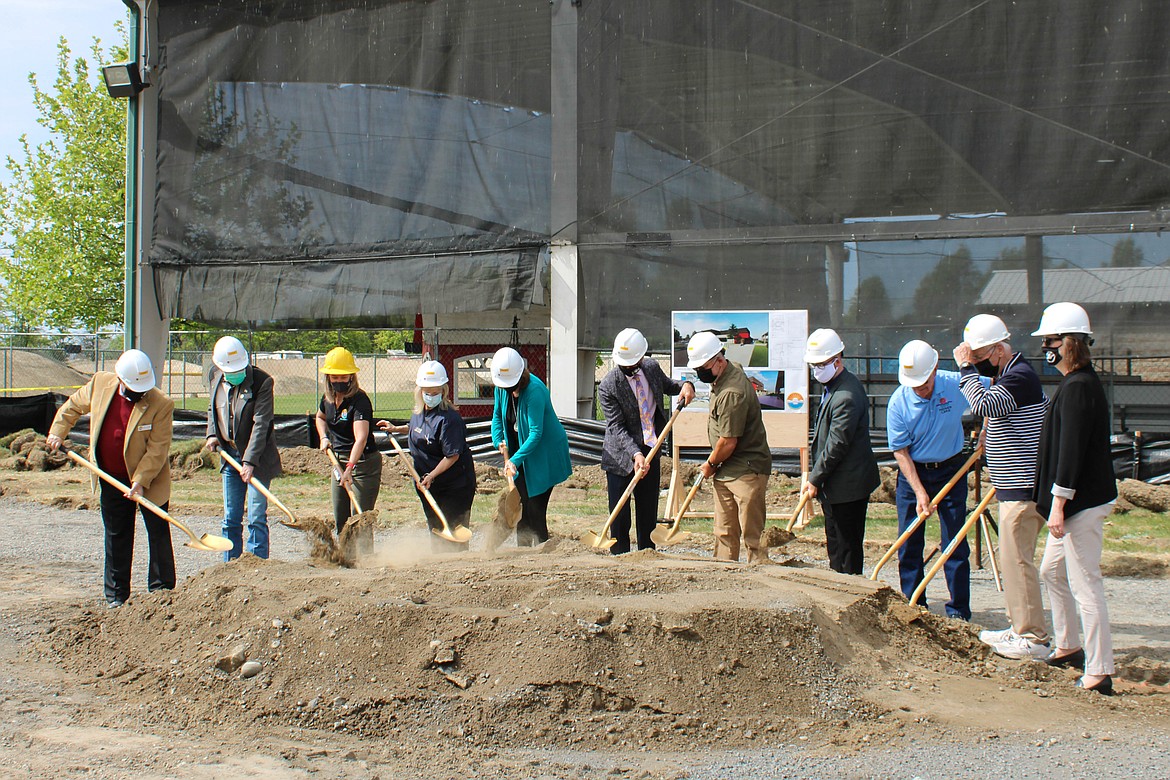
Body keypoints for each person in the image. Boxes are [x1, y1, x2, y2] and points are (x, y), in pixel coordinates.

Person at [953, 314, 1051, 660]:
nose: (977, 366)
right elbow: (998, 414)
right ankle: (1018, 627)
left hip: (1023, 489)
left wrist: (965, 369)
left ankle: (1033, 637)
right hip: (1013, 486)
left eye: (980, 359)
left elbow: (981, 405)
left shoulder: (1020, 377)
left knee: (1018, 562)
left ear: (997, 350)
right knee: (1010, 561)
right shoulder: (1010, 376)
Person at [1031, 302, 1117, 694]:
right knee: (1051, 571)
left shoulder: (1080, 388)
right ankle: (1068, 645)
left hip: (1080, 503)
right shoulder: (1073, 384)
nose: (1046, 348)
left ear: (1069, 343)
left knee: (1086, 584)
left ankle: (1100, 670)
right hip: (1072, 501)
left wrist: (1060, 503)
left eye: (1050, 340)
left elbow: (1072, 450)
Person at [46, 350, 175, 608]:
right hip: (111, 476)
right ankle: (116, 596)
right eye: (134, 389)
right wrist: (58, 432)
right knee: (117, 535)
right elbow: (72, 407)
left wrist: (139, 481)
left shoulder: (161, 403)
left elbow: (157, 449)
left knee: (158, 532)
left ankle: (162, 592)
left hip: (148, 480)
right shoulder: (100, 384)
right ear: (121, 380)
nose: (139, 394)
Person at [887, 339, 973, 620]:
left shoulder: (954, 383)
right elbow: (901, 452)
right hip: (915, 472)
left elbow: (994, 388)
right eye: (915, 385)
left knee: (955, 541)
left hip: (952, 469)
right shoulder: (898, 403)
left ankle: (958, 610)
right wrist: (920, 492)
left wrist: (988, 428)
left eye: (924, 383)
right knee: (909, 541)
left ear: (936, 368)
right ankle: (914, 605)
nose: (920, 390)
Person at [599, 328, 695, 554]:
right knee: (620, 515)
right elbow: (617, 427)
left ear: (642, 356)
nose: (630, 366)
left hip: (651, 446)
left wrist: (686, 385)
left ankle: (647, 555)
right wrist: (636, 454)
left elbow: (670, 386)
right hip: (621, 455)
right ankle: (620, 557)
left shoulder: (651, 367)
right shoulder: (608, 385)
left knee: (647, 510)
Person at [686, 331, 772, 563]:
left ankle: (761, 577)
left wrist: (711, 463)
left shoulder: (732, 393)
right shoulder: (729, 369)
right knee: (724, 532)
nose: (700, 374)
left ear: (720, 361)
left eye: (703, 369)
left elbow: (728, 441)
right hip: (726, 469)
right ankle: (725, 577)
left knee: (753, 536)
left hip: (746, 470)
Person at [800, 328, 879, 575]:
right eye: (813, 365)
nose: (816, 370)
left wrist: (815, 478)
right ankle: (839, 583)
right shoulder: (833, 387)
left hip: (848, 486)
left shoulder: (846, 395)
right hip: (836, 485)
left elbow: (837, 444)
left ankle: (849, 590)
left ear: (837, 360)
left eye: (821, 364)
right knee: (835, 544)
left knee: (846, 547)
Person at [378, 360, 476, 552]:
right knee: (436, 528)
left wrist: (431, 475)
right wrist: (396, 428)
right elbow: (418, 429)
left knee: (453, 531)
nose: (431, 396)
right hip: (428, 483)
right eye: (427, 392)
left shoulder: (449, 420)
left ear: (443, 391)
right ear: (420, 390)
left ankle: (459, 566)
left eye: (435, 392)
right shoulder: (420, 412)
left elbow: (452, 456)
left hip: (454, 485)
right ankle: (438, 567)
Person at [203, 336, 282, 561]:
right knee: (231, 517)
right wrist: (212, 434)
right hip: (229, 455)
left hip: (257, 458)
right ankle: (231, 565)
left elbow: (261, 425)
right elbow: (212, 409)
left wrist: (249, 462)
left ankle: (256, 565)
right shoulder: (215, 377)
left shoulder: (262, 382)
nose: (235, 373)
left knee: (256, 516)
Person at [490, 347, 572, 546]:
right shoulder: (501, 387)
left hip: (544, 455)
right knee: (522, 509)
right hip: (521, 456)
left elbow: (536, 432)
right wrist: (498, 440)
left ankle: (543, 553)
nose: (507, 388)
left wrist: (515, 460)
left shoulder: (534, 390)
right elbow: (497, 418)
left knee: (535, 509)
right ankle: (523, 554)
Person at [314, 346, 381, 535]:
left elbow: (361, 438)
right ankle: (344, 558)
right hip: (338, 461)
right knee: (341, 518)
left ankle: (365, 560)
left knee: (360, 519)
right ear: (328, 377)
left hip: (362, 463)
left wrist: (350, 467)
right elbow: (319, 418)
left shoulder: (360, 400)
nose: (339, 381)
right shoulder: (327, 399)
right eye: (334, 377)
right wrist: (324, 437)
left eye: (343, 377)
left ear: (351, 376)